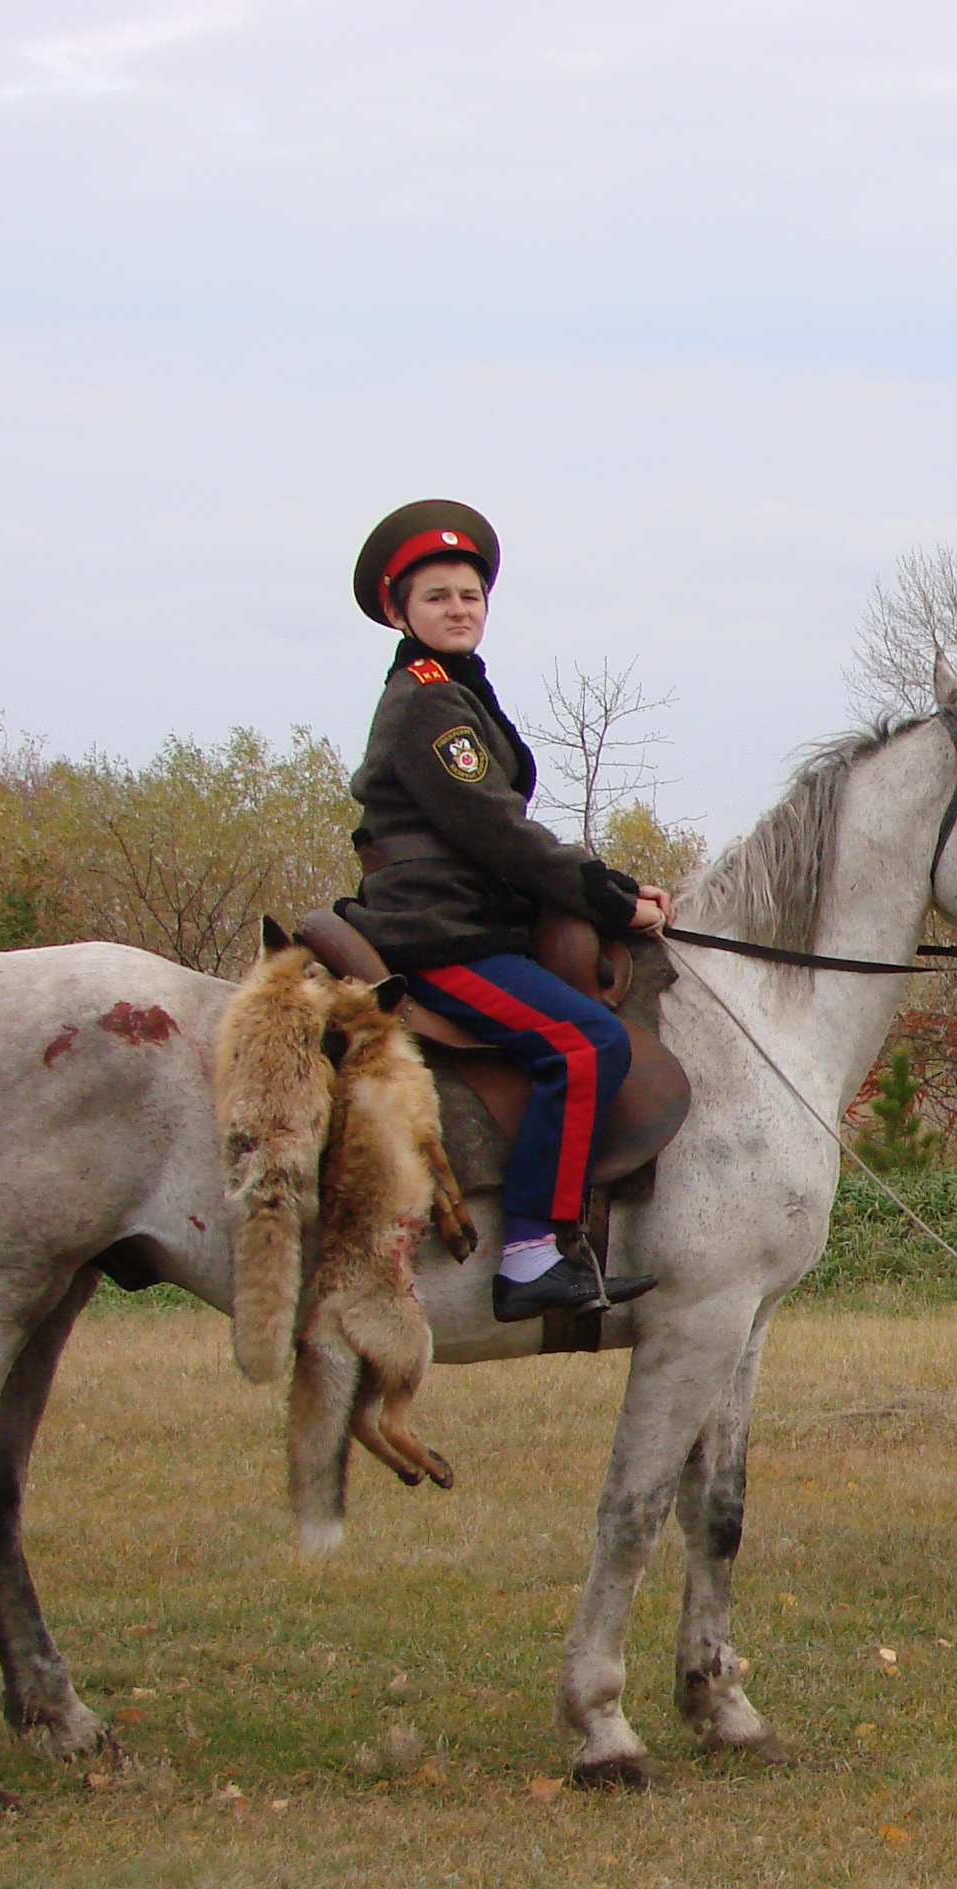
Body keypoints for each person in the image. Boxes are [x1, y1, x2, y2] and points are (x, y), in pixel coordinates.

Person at [338, 499, 669, 1320]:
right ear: (399, 612)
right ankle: (528, 1258)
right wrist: (608, 897)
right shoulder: (426, 702)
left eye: (469, 596)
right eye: (437, 597)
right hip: (439, 934)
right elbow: (496, 832)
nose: (457, 609)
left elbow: (507, 831)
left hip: (474, 922)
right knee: (587, 1042)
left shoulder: (459, 693)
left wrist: (616, 887)